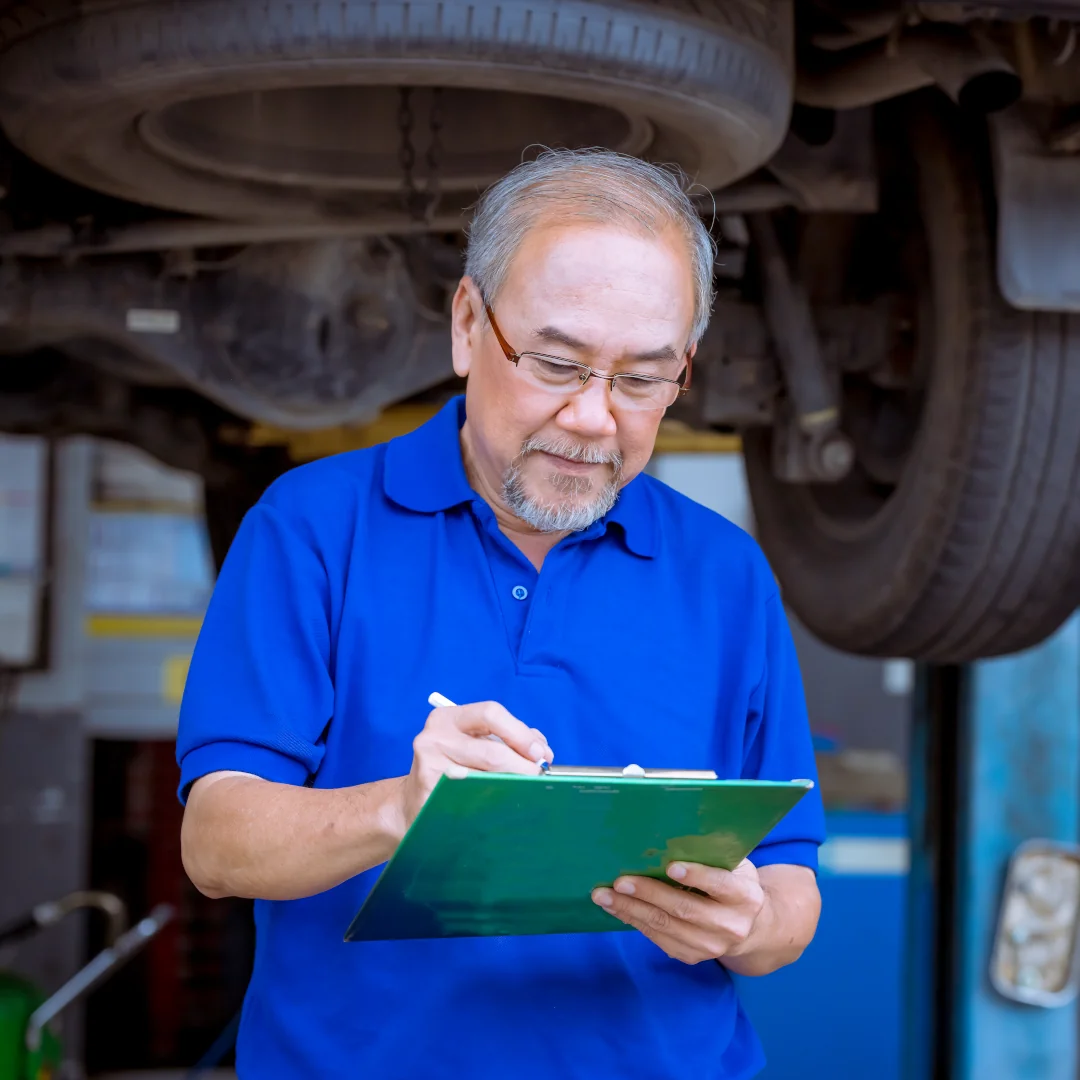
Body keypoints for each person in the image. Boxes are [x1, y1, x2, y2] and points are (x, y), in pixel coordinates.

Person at [177, 148, 826, 1079]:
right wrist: (398, 811)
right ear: (468, 325)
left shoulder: (726, 574)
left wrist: (748, 919)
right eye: (557, 363)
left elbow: (792, 895)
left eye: (642, 380)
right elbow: (216, 844)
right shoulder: (312, 527)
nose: (595, 417)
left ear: (685, 370)